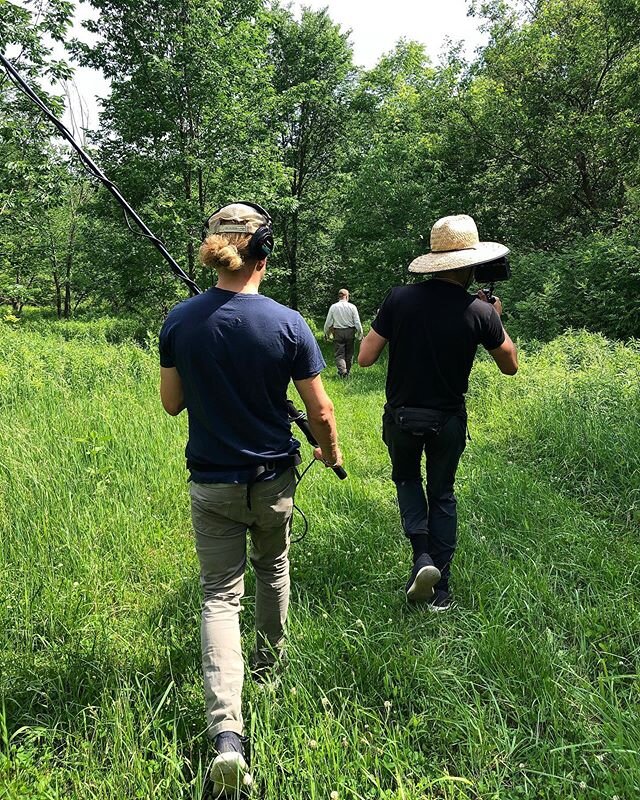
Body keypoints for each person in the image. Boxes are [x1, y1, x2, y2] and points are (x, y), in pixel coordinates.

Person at [159, 202, 343, 797]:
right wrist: (330, 451)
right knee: (273, 568)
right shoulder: (287, 322)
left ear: (215, 251)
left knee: (219, 597)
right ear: (263, 255)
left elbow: (171, 403)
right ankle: (267, 669)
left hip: (211, 482)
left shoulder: (180, 321)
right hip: (272, 481)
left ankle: (226, 735)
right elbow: (320, 410)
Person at [358, 214, 518, 610]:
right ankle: (441, 590)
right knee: (442, 494)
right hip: (447, 420)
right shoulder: (479, 311)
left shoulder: (399, 298)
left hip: (401, 418)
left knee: (407, 480)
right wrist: (494, 318)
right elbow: (510, 365)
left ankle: (421, 558)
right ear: (471, 265)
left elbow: (364, 357)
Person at [323, 288, 363, 378]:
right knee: (349, 353)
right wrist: (360, 335)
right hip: (350, 331)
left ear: (339, 296)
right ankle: (347, 372)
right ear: (347, 296)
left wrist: (326, 334)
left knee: (339, 354)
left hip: (338, 332)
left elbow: (328, 322)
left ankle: (342, 371)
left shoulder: (333, 307)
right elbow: (357, 322)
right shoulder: (352, 307)